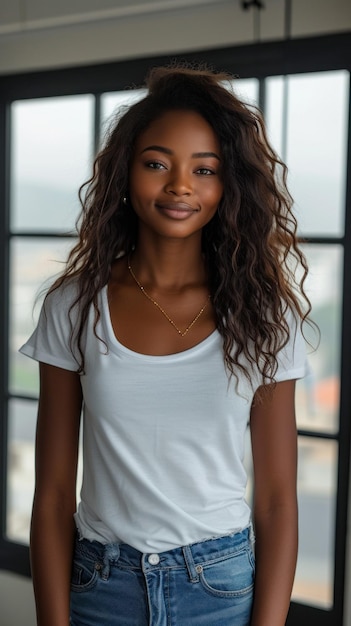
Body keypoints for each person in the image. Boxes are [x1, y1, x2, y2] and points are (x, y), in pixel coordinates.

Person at [20, 64, 312, 626]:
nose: (181, 185)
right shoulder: (76, 305)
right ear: (125, 173)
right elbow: (53, 493)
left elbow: (277, 501)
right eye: (158, 163)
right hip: (100, 586)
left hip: (220, 588)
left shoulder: (266, 315)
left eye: (205, 170)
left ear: (228, 186)